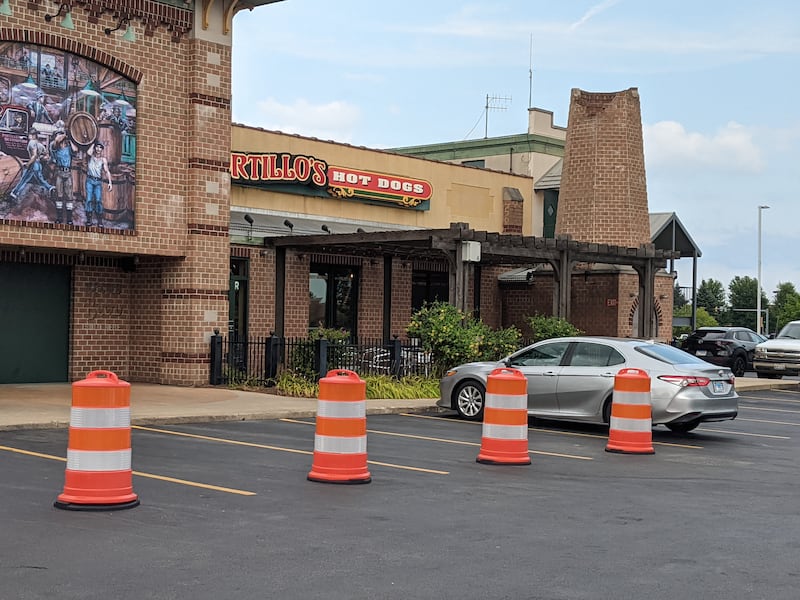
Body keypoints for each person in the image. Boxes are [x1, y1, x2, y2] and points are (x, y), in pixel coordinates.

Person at [9, 129, 55, 201]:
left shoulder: (31, 142)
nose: (28, 136)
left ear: (34, 135)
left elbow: (34, 155)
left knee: (24, 179)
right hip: (38, 164)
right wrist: (41, 158)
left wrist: (28, 164)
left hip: (33, 164)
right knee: (39, 179)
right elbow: (46, 155)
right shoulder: (40, 144)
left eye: (30, 134)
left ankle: (14, 193)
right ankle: (50, 188)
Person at [49, 129, 77, 224]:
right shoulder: (54, 147)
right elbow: (56, 141)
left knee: (69, 196)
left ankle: (69, 219)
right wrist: (66, 134)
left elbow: (75, 150)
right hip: (59, 173)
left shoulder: (68, 148)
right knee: (59, 195)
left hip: (68, 173)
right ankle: (59, 218)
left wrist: (71, 139)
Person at [84, 142, 112, 226]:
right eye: (97, 147)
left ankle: (100, 220)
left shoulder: (103, 160)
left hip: (98, 182)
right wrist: (93, 143)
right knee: (89, 200)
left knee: (98, 200)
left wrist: (110, 182)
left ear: (102, 149)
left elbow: (107, 171)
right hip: (89, 180)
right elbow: (88, 152)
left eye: (100, 148)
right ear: (94, 148)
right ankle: (89, 220)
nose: (98, 149)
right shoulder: (90, 157)